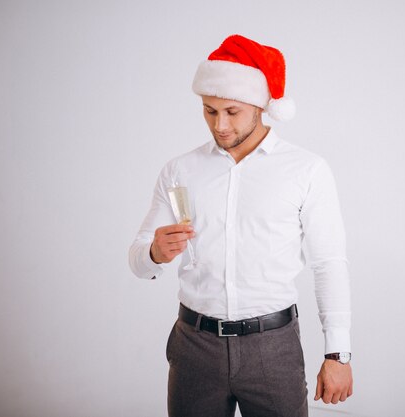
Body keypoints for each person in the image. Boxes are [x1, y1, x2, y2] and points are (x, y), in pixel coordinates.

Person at [129, 34, 352, 417]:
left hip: (273, 347)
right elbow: (138, 260)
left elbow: (328, 263)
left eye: (232, 111)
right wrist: (153, 252)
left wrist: (338, 353)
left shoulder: (306, 170)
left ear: (261, 106)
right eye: (209, 110)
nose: (220, 124)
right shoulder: (180, 170)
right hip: (194, 346)